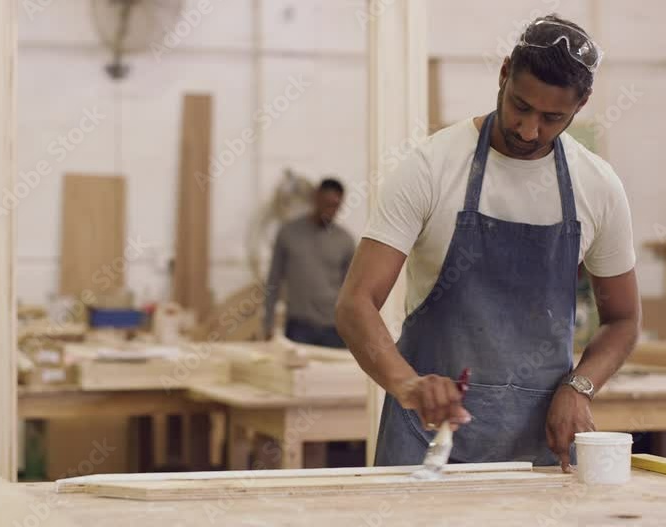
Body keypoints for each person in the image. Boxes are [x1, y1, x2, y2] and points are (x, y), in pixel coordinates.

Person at [335, 15, 641, 470]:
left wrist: (579, 387)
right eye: (520, 105)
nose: (528, 130)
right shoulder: (431, 167)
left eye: (552, 117)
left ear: (582, 105)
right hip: (426, 441)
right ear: (503, 74)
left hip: (539, 448)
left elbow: (623, 320)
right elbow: (355, 303)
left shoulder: (597, 186)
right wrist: (408, 386)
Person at [264, 178, 356, 348]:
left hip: (333, 328)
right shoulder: (288, 234)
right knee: (298, 374)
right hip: (299, 326)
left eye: (335, 205)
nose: (330, 210)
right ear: (316, 199)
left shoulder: (345, 241)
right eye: (326, 204)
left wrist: (354, 331)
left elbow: (352, 290)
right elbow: (273, 281)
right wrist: (268, 324)